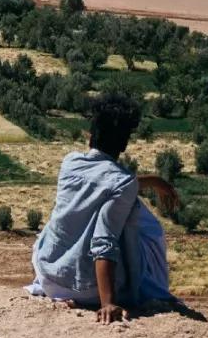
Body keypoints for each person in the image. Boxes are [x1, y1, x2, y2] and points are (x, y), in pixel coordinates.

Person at [26, 92, 172, 321]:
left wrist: (152, 181)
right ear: (124, 144)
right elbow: (104, 240)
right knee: (144, 224)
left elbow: (102, 181)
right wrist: (108, 303)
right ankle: (135, 290)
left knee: (63, 216)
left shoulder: (70, 163)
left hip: (50, 278)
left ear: (90, 137)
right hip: (91, 292)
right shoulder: (123, 183)